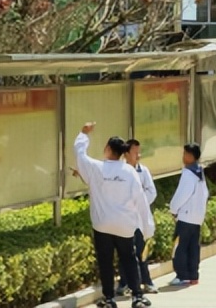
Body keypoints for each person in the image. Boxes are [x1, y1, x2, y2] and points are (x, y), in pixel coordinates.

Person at [73, 123, 154, 308]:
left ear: (108, 149)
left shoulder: (96, 168)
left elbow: (80, 154)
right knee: (129, 259)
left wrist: (84, 134)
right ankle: (137, 296)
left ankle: (109, 298)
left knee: (105, 262)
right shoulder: (129, 171)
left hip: (102, 225)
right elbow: (140, 200)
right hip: (125, 226)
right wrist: (146, 227)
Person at [116, 139, 158, 297]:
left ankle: (146, 281)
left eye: (139, 152)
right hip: (125, 219)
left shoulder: (143, 171)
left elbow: (151, 192)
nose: (138, 155)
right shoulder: (120, 171)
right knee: (125, 252)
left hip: (140, 219)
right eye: (135, 152)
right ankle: (124, 283)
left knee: (142, 252)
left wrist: (139, 202)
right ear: (126, 154)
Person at [169, 143, 209, 287]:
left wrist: (173, 209)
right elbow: (205, 194)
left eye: (185, 154)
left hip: (185, 217)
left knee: (180, 247)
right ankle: (193, 275)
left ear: (191, 156)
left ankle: (182, 276)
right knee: (193, 247)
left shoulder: (188, 173)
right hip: (196, 218)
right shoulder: (199, 172)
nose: (183, 157)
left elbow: (182, 195)